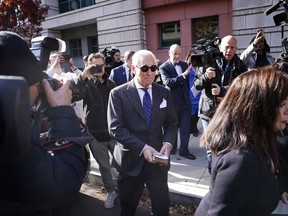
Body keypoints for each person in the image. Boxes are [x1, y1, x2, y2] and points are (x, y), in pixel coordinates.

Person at [0, 31, 91, 215]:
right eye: (37, 83)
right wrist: (61, 111)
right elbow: (64, 183)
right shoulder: (8, 135)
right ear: (17, 87)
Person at [195, 66, 288, 216]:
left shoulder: (260, 140)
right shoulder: (240, 161)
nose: (287, 110)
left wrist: (280, 188)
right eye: (282, 104)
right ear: (258, 109)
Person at [107, 49, 178, 215]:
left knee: (162, 207)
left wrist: (168, 144)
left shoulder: (164, 92)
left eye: (153, 68)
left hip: (158, 162)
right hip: (130, 162)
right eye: (144, 69)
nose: (150, 73)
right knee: (128, 207)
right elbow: (116, 128)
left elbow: (172, 123)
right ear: (133, 69)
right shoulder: (118, 94)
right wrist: (143, 148)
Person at [194, 35, 247, 173]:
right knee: (210, 146)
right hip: (208, 111)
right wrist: (206, 76)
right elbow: (196, 86)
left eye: (232, 47)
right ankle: (214, 175)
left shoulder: (240, 65)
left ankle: (224, 172)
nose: (229, 50)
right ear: (220, 47)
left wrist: (223, 91)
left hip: (228, 111)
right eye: (226, 47)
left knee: (226, 144)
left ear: (236, 48)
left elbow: (243, 87)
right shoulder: (208, 60)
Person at [75, 52, 118, 208]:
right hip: (94, 134)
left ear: (105, 65)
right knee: (105, 167)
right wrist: (82, 78)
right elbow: (74, 95)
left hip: (113, 133)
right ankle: (111, 192)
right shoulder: (85, 84)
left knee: (120, 165)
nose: (99, 68)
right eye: (95, 65)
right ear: (89, 66)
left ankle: (124, 189)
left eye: (101, 65)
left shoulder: (112, 84)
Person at [159, 44, 196, 159]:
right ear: (169, 53)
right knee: (172, 127)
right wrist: (183, 75)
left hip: (185, 102)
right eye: (175, 53)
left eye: (179, 54)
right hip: (172, 103)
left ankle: (184, 151)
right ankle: (173, 147)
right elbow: (168, 82)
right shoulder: (163, 67)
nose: (177, 56)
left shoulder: (184, 64)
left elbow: (186, 84)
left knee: (185, 128)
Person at [46, 53, 84, 121]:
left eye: (60, 61)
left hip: (76, 109)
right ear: (49, 64)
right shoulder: (51, 78)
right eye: (56, 61)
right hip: (61, 111)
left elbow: (83, 78)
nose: (58, 63)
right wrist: (54, 65)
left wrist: (73, 67)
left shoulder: (69, 75)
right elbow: (45, 78)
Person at [185, 50, 201, 137]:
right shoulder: (187, 67)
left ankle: (194, 127)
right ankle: (193, 128)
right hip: (190, 92)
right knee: (192, 112)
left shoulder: (199, 67)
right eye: (192, 57)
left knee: (198, 111)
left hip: (198, 92)